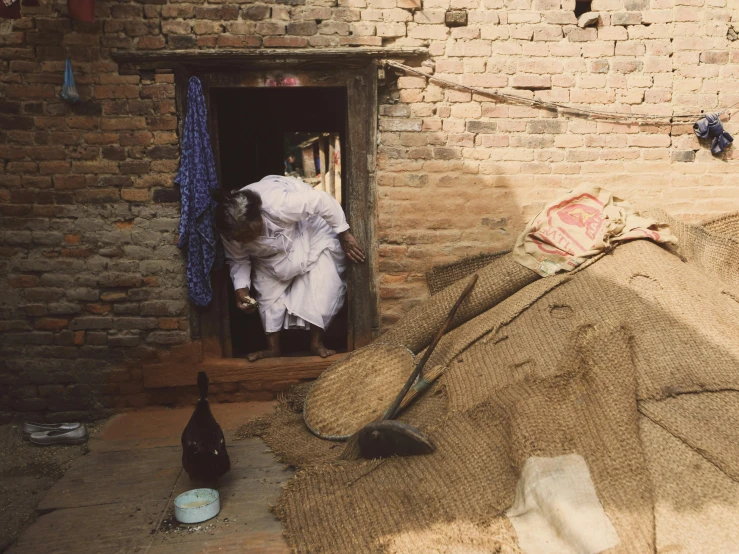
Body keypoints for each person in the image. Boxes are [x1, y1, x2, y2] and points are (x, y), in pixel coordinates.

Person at [213, 175, 365, 362]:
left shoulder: (279, 203)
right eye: (241, 239)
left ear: (259, 215)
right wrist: (241, 290)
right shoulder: (230, 232)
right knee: (267, 296)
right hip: (267, 258)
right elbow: (238, 260)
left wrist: (344, 234)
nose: (246, 240)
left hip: (308, 231)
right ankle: (273, 348)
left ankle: (316, 342)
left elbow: (322, 201)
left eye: (250, 234)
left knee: (322, 283)